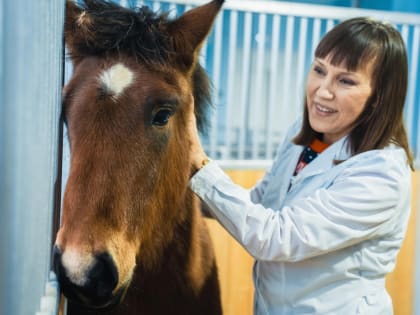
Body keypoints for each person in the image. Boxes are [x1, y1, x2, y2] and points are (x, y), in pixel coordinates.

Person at [188, 17, 414, 314]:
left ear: (378, 98)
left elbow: (275, 237)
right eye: (319, 70)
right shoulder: (307, 140)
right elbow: (259, 203)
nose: (322, 91)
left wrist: (199, 163)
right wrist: (178, 189)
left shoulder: (381, 175)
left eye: (345, 80)